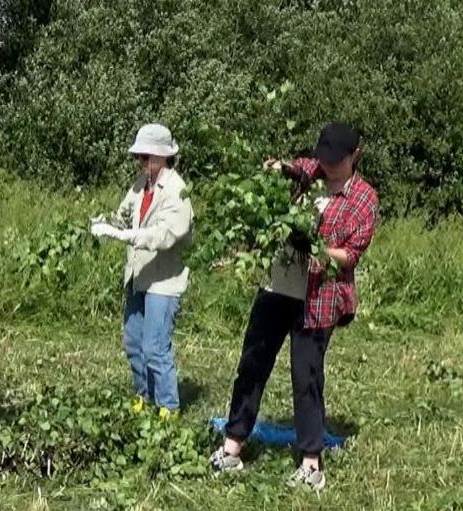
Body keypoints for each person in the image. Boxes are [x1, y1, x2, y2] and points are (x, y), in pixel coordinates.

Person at [209, 122, 378, 491]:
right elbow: (293, 166)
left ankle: (311, 464)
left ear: (356, 156)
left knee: (306, 377)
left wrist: (313, 245)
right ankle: (232, 447)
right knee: (253, 363)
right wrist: (277, 168)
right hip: (277, 287)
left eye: (336, 160)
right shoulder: (311, 172)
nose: (327, 166)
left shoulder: (364, 199)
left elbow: (348, 257)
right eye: (324, 158)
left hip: (319, 296)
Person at [91, 123, 194, 417]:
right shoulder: (140, 185)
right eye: (139, 157)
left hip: (163, 280)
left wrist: (127, 236)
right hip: (138, 276)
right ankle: (143, 396)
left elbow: (166, 234)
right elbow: (123, 215)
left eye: (147, 157)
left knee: (155, 347)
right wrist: (106, 222)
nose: (142, 162)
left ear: (163, 156)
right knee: (134, 342)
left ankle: (168, 407)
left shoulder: (177, 191)